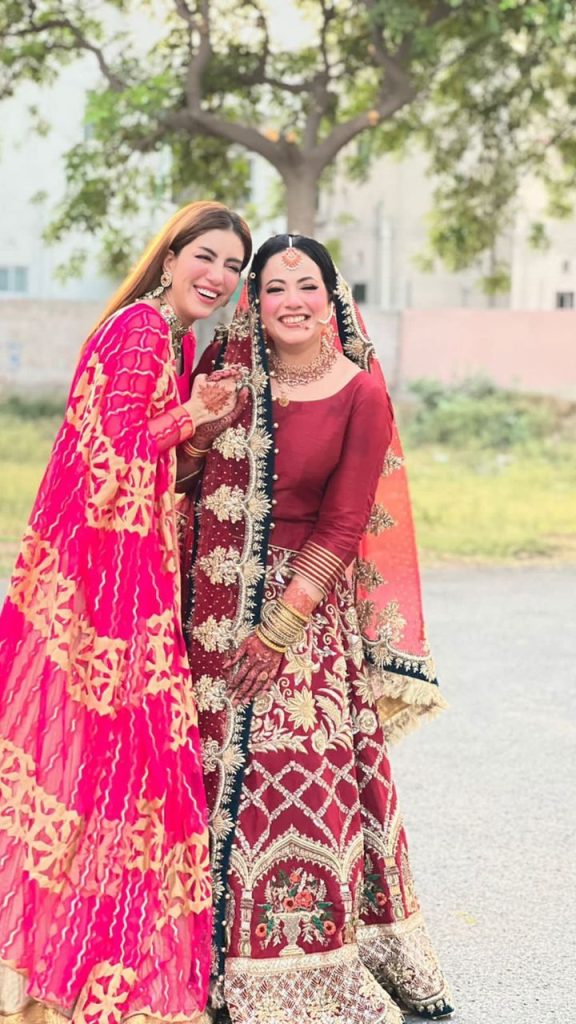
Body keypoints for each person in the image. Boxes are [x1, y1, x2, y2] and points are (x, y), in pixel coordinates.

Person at [180, 234, 453, 1024]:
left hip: (302, 619)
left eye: (306, 285)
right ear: (252, 301)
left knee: (294, 784)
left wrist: (277, 630)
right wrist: (200, 428)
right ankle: (196, 973)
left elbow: (341, 523)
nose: (289, 300)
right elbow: (177, 476)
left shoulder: (360, 392)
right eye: (271, 287)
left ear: (333, 296)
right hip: (206, 608)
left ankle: (298, 972)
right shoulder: (222, 374)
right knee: (192, 781)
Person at [0, 201, 252, 1024]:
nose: (216, 277)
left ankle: (56, 970)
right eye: (205, 257)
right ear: (171, 255)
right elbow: (110, 452)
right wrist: (197, 416)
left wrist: (189, 427)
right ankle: (97, 974)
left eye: (231, 268)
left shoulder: (166, 339)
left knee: (97, 770)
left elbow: (139, 459)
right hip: (111, 590)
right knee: (129, 769)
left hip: (120, 575)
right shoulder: (145, 328)